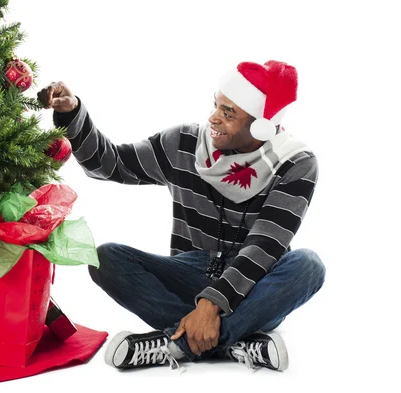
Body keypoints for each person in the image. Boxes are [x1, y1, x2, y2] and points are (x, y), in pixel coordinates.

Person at [37, 60, 325, 372]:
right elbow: (111, 164)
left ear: (260, 125)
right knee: (104, 258)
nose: (213, 118)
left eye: (229, 113)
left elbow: (265, 246)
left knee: (308, 266)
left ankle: (177, 344)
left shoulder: (295, 163)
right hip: (190, 269)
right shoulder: (185, 144)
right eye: (216, 105)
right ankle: (236, 342)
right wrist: (72, 114)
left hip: (255, 282)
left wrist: (211, 303)